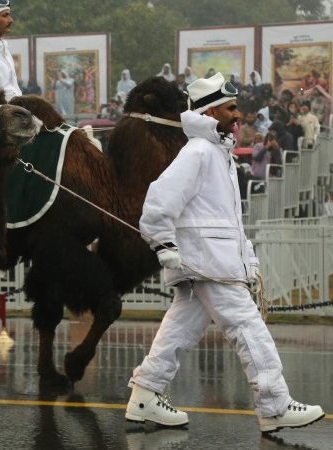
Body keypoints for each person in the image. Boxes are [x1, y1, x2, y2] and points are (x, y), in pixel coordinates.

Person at [125, 73, 325, 433]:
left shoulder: (216, 153)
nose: (239, 115)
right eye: (231, 108)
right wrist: (163, 244)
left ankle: (145, 396)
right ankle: (274, 404)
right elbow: (158, 201)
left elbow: (228, 219)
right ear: (211, 110)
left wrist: (247, 263)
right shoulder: (200, 152)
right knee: (249, 327)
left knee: (177, 331)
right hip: (207, 263)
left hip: (210, 262)